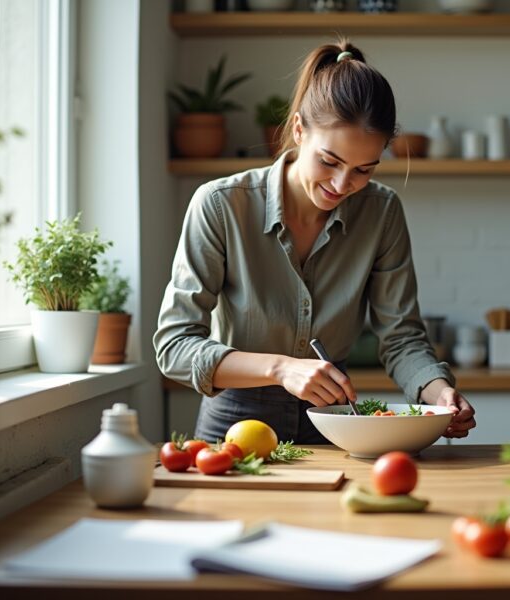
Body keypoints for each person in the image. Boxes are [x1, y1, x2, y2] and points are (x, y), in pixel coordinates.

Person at [154, 40, 476, 444]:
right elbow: (175, 345)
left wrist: (438, 391)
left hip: (336, 421)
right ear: (298, 129)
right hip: (234, 424)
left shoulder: (382, 212)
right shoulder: (220, 205)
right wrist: (280, 368)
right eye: (330, 161)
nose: (343, 185)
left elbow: (401, 338)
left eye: (364, 169)